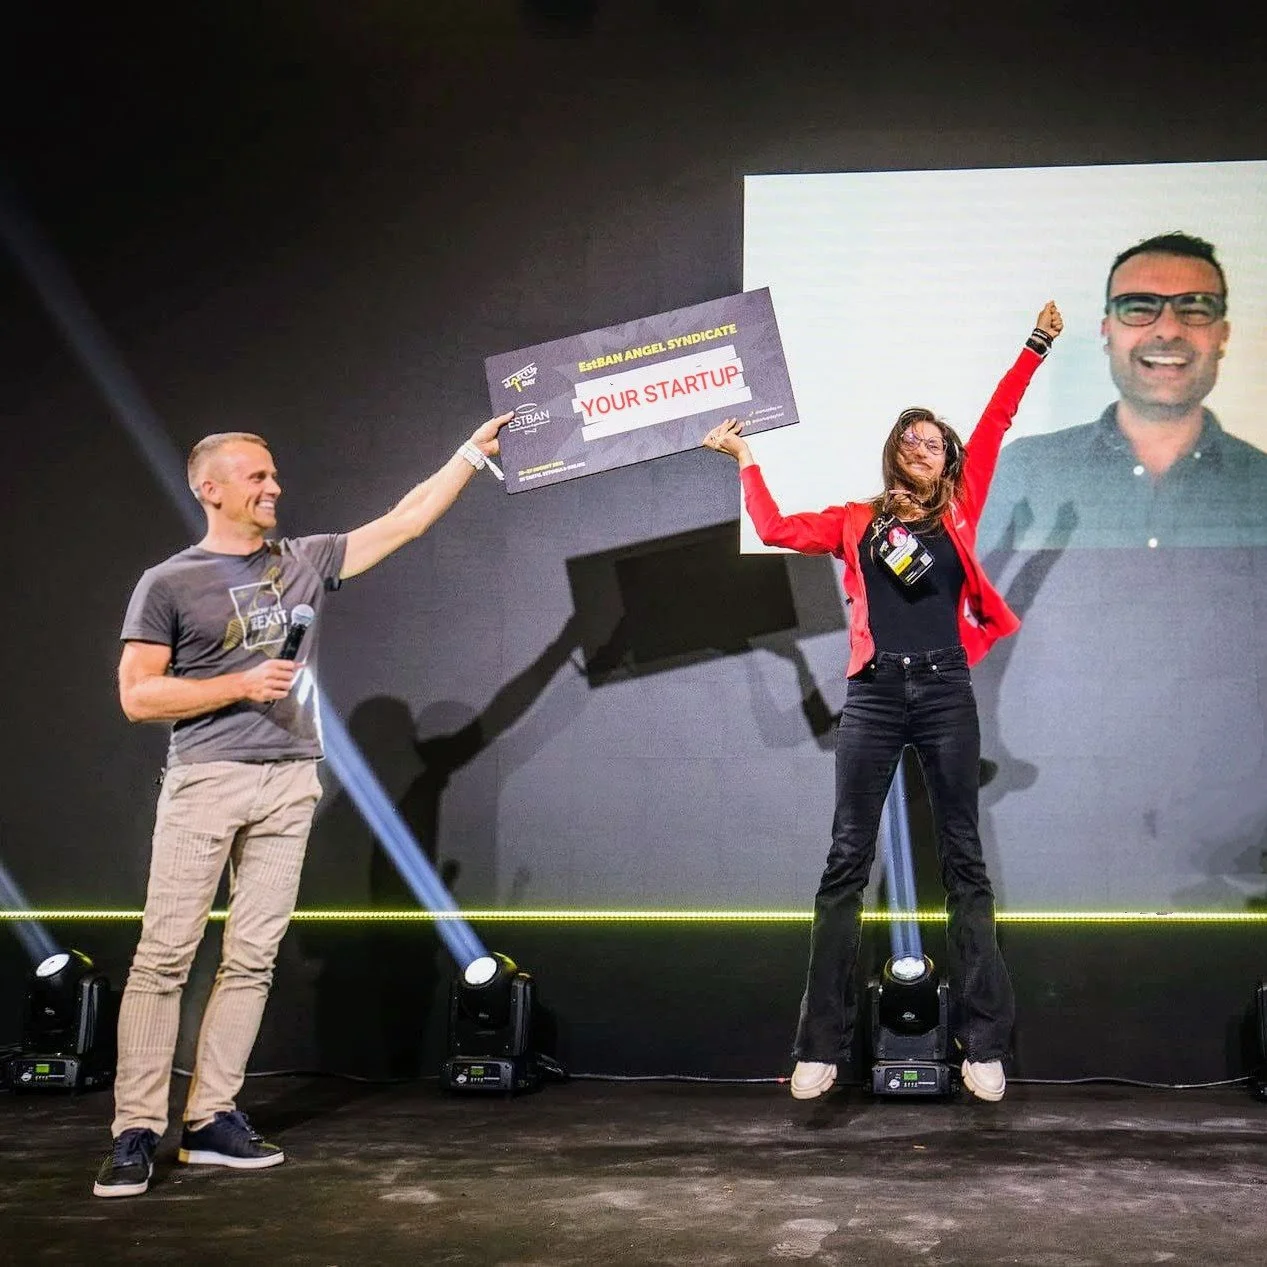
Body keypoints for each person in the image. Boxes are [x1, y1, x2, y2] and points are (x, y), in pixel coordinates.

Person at [93, 412, 510, 1198]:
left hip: (290, 780)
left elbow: (406, 520)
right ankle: (134, 1129)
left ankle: (211, 1116)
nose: (274, 486)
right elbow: (137, 695)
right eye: (257, 477)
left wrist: (465, 454)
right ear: (211, 489)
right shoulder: (169, 581)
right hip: (206, 780)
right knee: (163, 959)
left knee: (252, 958)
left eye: (273, 474)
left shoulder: (304, 561)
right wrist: (237, 685)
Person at [701, 303, 1063, 1103]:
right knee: (843, 866)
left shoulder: (959, 512)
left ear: (948, 459)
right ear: (894, 454)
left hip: (942, 692)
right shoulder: (856, 519)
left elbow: (999, 415)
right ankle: (819, 1044)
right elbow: (773, 526)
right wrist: (743, 457)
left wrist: (1034, 345)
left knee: (964, 864)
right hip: (871, 695)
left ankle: (982, 1042)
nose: (921, 449)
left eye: (934, 442)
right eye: (910, 440)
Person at [979, 232, 1267, 551]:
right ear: (1108, 332)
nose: (1168, 330)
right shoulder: (1024, 470)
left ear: (1222, 336)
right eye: (1139, 307)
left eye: (1195, 308)